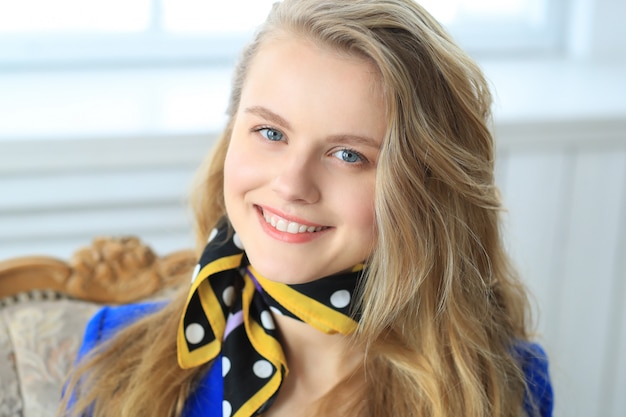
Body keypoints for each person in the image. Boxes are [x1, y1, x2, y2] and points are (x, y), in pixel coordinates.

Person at [59, 0, 553, 416]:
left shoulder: (500, 386)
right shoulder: (116, 354)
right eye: (271, 133)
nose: (292, 184)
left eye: (348, 155)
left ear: (425, 188)